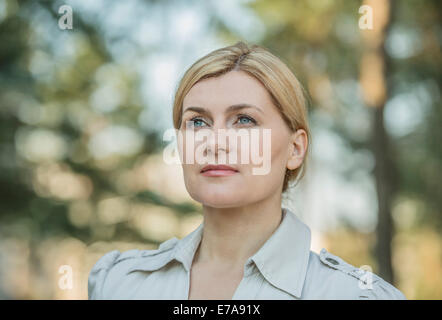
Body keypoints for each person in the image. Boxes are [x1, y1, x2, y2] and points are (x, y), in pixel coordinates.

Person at [88, 41, 406, 300]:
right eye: (197, 122)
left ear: (295, 150)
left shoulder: (357, 296)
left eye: (244, 120)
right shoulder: (117, 284)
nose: (214, 143)